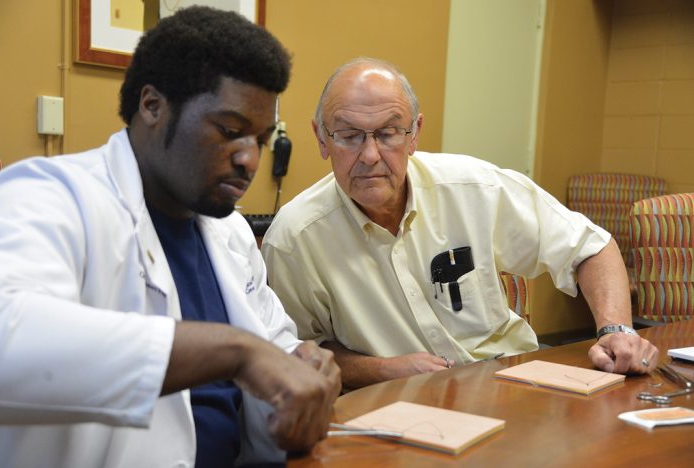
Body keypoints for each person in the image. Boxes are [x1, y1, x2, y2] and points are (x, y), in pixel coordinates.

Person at [0, 7, 340, 467]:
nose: (250, 161)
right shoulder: (50, 195)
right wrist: (235, 352)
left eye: (260, 138)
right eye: (230, 131)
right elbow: (5, 341)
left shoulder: (229, 231)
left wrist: (306, 367)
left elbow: (274, 348)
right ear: (152, 106)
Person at [261, 57, 659, 390]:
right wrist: (382, 370)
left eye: (388, 133)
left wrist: (616, 329)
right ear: (321, 138)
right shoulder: (295, 239)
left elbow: (590, 247)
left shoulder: (473, 188)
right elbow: (296, 353)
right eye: (348, 136)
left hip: (514, 384)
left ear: (414, 133)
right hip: (394, 404)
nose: (369, 155)